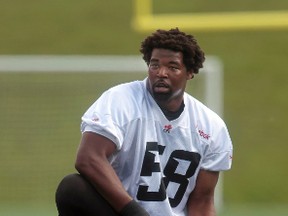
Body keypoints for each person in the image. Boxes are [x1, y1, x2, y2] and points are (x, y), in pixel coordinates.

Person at [55, 28, 233, 216]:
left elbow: (202, 201)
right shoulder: (121, 100)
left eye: (172, 67)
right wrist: (134, 212)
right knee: (73, 188)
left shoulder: (211, 127)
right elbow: (89, 158)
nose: (161, 73)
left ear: (189, 72)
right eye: (155, 65)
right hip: (124, 212)